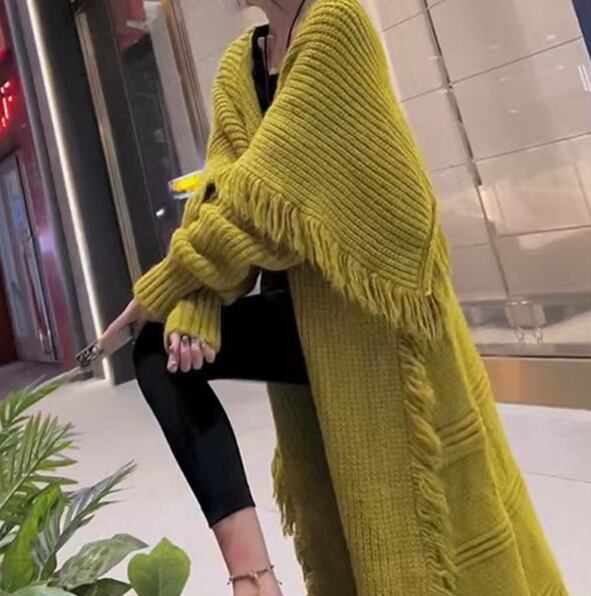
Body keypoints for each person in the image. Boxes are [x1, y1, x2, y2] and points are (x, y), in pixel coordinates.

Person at [101, 1, 567, 595]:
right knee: (155, 350)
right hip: (300, 309)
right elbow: (220, 196)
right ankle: (253, 578)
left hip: (372, 313)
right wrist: (192, 308)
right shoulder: (238, 68)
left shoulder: (336, 26)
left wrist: (166, 287)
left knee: (437, 538)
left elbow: (267, 195)